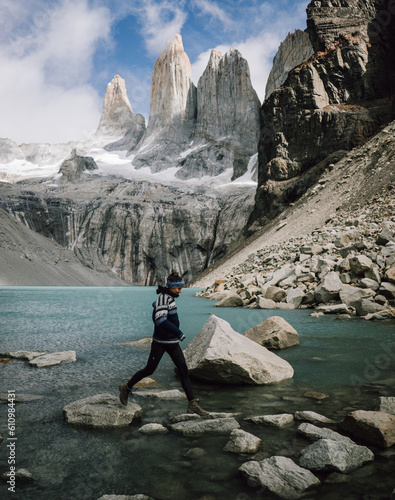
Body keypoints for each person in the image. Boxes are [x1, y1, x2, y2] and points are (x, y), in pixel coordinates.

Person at [119, 270, 208, 415]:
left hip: (172, 342)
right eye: (178, 288)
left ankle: (192, 404)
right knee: (149, 370)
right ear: (171, 287)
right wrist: (178, 333)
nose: (180, 291)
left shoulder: (169, 298)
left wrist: (175, 335)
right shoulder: (163, 299)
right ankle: (126, 387)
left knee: (184, 371)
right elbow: (161, 320)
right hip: (160, 342)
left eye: (181, 288)